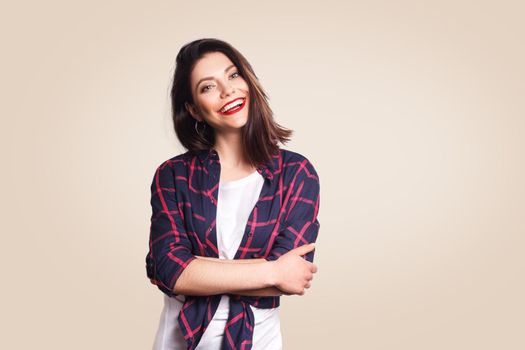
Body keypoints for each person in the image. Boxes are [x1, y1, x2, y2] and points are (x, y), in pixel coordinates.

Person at [145, 38, 321, 350]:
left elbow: (292, 277)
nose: (227, 91)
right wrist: (271, 270)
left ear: (248, 81)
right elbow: (170, 269)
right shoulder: (172, 176)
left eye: (233, 75)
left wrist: (196, 271)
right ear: (194, 110)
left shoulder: (296, 173)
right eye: (207, 87)